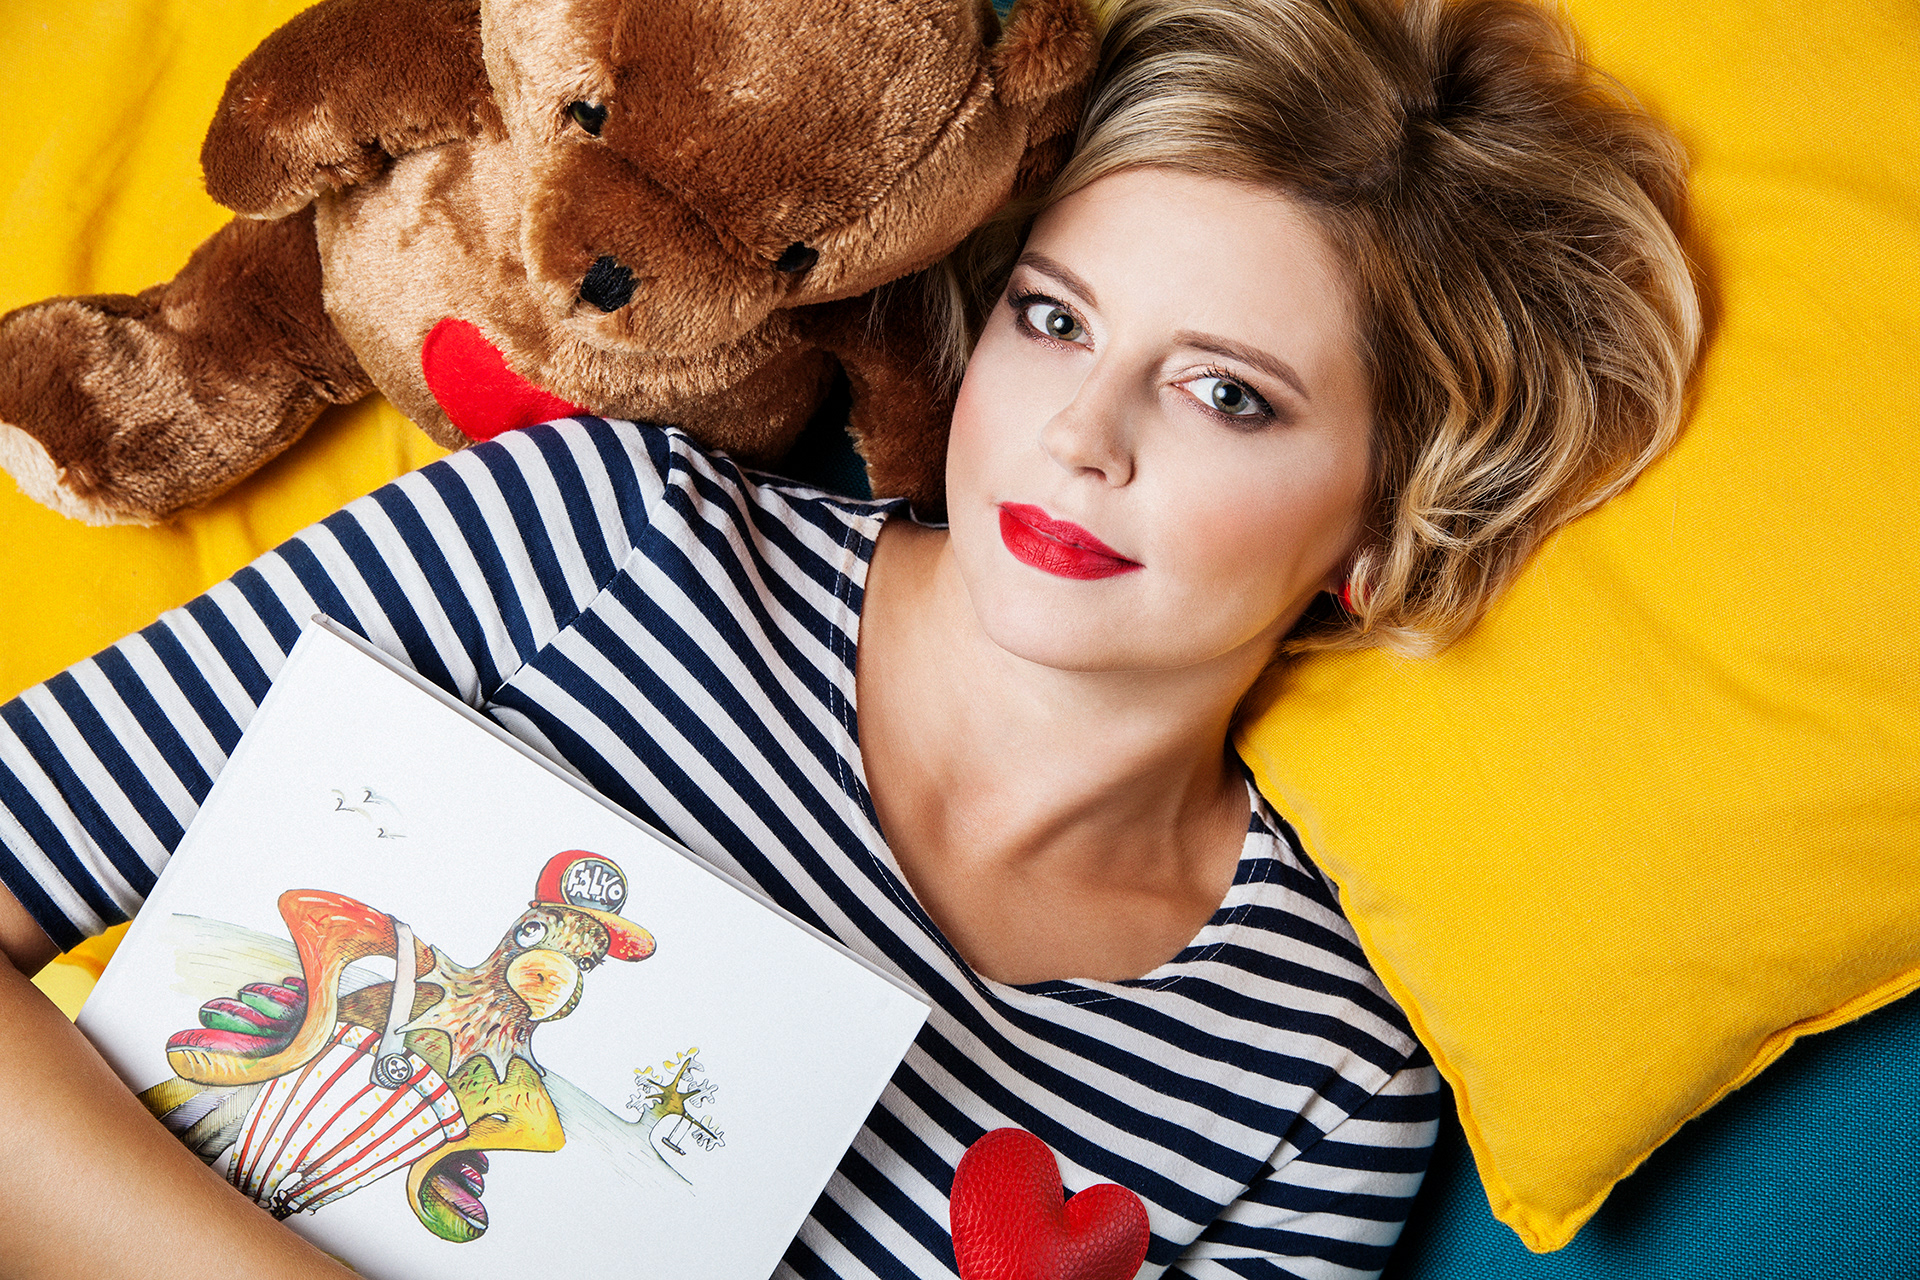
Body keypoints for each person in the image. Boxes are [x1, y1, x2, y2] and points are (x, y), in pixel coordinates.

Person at [0, 0, 1698, 1276]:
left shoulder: (1316, 1078)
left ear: (1387, 533)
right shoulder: (596, 534)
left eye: (1228, 395)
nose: (1082, 435)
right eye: (1056, 319)